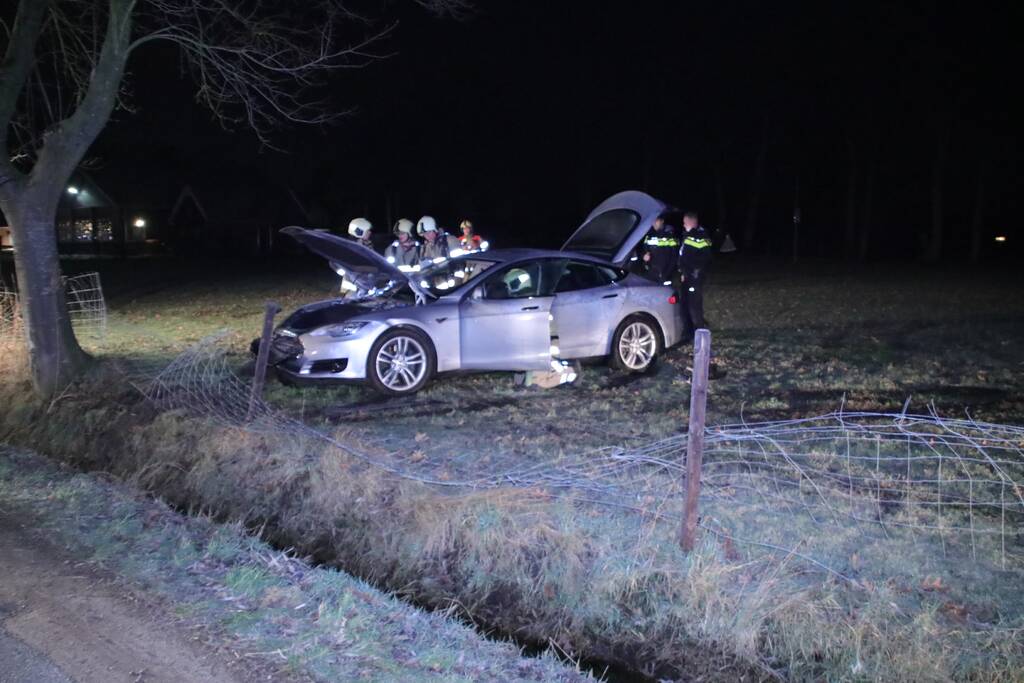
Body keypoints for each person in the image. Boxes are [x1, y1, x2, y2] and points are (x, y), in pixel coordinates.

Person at [677, 211, 713, 339]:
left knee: (694, 306)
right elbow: (683, 256)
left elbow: (704, 258)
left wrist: (695, 272)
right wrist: (682, 271)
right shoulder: (687, 235)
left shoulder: (701, 236)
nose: (683, 224)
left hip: (695, 276)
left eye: (685, 222)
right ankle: (688, 331)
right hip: (686, 276)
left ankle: (700, 332)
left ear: (692, 222)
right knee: (684, 304)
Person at [639, 216, 679, 286]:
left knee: (666, 294)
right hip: (650, 272)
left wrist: (666, 274)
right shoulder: (649, 235)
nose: (654, 223)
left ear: (662, 221)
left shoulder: (670, 235)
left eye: (656, 221)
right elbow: (643, 250)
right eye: (652, 221)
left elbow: (674, 257)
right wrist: (644, 256)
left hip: (665, 273)